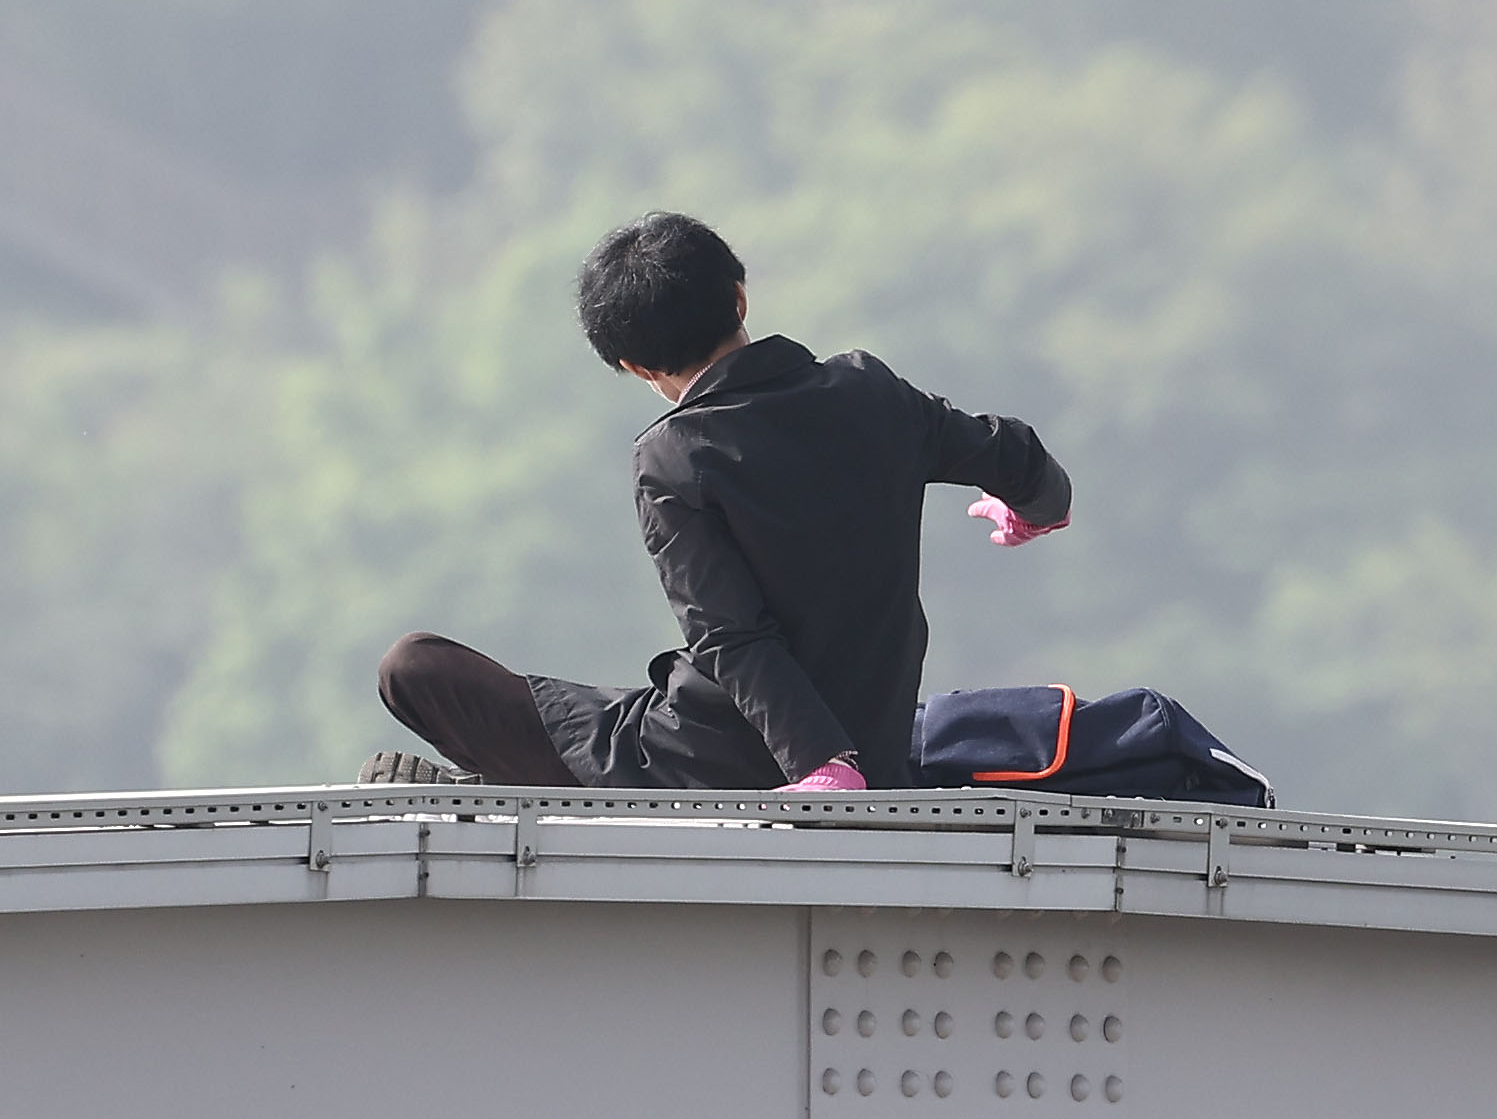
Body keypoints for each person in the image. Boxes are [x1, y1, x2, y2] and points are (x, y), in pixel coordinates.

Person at [363, 212, 1071, 794]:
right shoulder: (869, 390)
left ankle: (504, 785)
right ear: (739, 298)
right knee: (610, 710)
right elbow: (1015, 456)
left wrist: (821, 766)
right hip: (873, 752)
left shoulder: (672, 458)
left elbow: (731, 637)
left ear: (635, 367)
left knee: (413, 666)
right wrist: (1034, 508)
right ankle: (500, 780)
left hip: (723, 758)